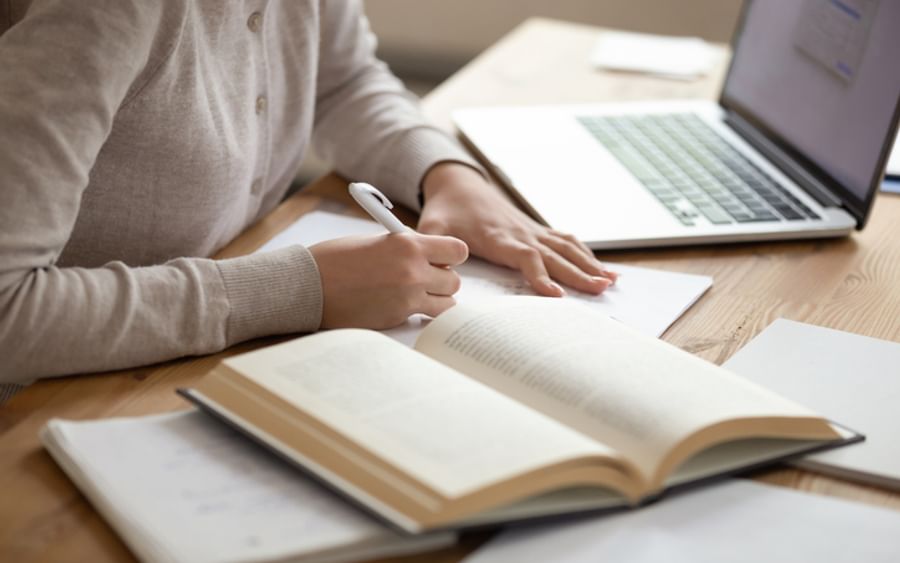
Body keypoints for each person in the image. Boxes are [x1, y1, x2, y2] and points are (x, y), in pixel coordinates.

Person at [0, 0, 616, 387]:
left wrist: (447, 174)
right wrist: (298, 290)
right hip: (50, 401)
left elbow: (343, 79)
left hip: (176, 360)